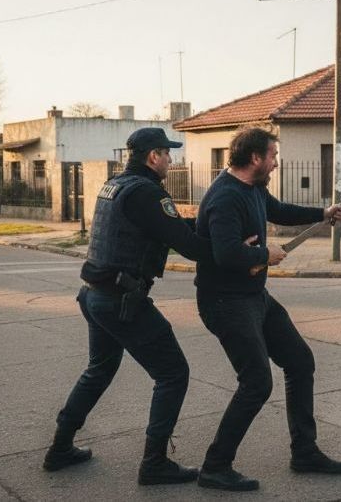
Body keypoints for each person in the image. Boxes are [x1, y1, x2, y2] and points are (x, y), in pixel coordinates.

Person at [43, 128, 255, 486]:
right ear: (153, 156)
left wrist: (211, 225)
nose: (172, 161)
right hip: (122, 301)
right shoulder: (147, 193)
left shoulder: (117, 185)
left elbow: (169, 227)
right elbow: (187, 244)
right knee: (173, 373)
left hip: (95, 294)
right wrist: (233, 247)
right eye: (167, 154)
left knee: (99, 369)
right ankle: (154, 463)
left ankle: (60, 447)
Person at [194, 126, 341, 491]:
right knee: (256, 382)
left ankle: (304, 452)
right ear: (255, 158)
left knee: (299, 361)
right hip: (224, 301)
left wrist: (323, 213)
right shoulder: (224, 198)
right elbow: (226, 253)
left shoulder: (254, 188)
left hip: (253, 296)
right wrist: (265, 254)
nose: (277, 163)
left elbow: (277, 210)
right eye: (273, 156)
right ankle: (215, 466)